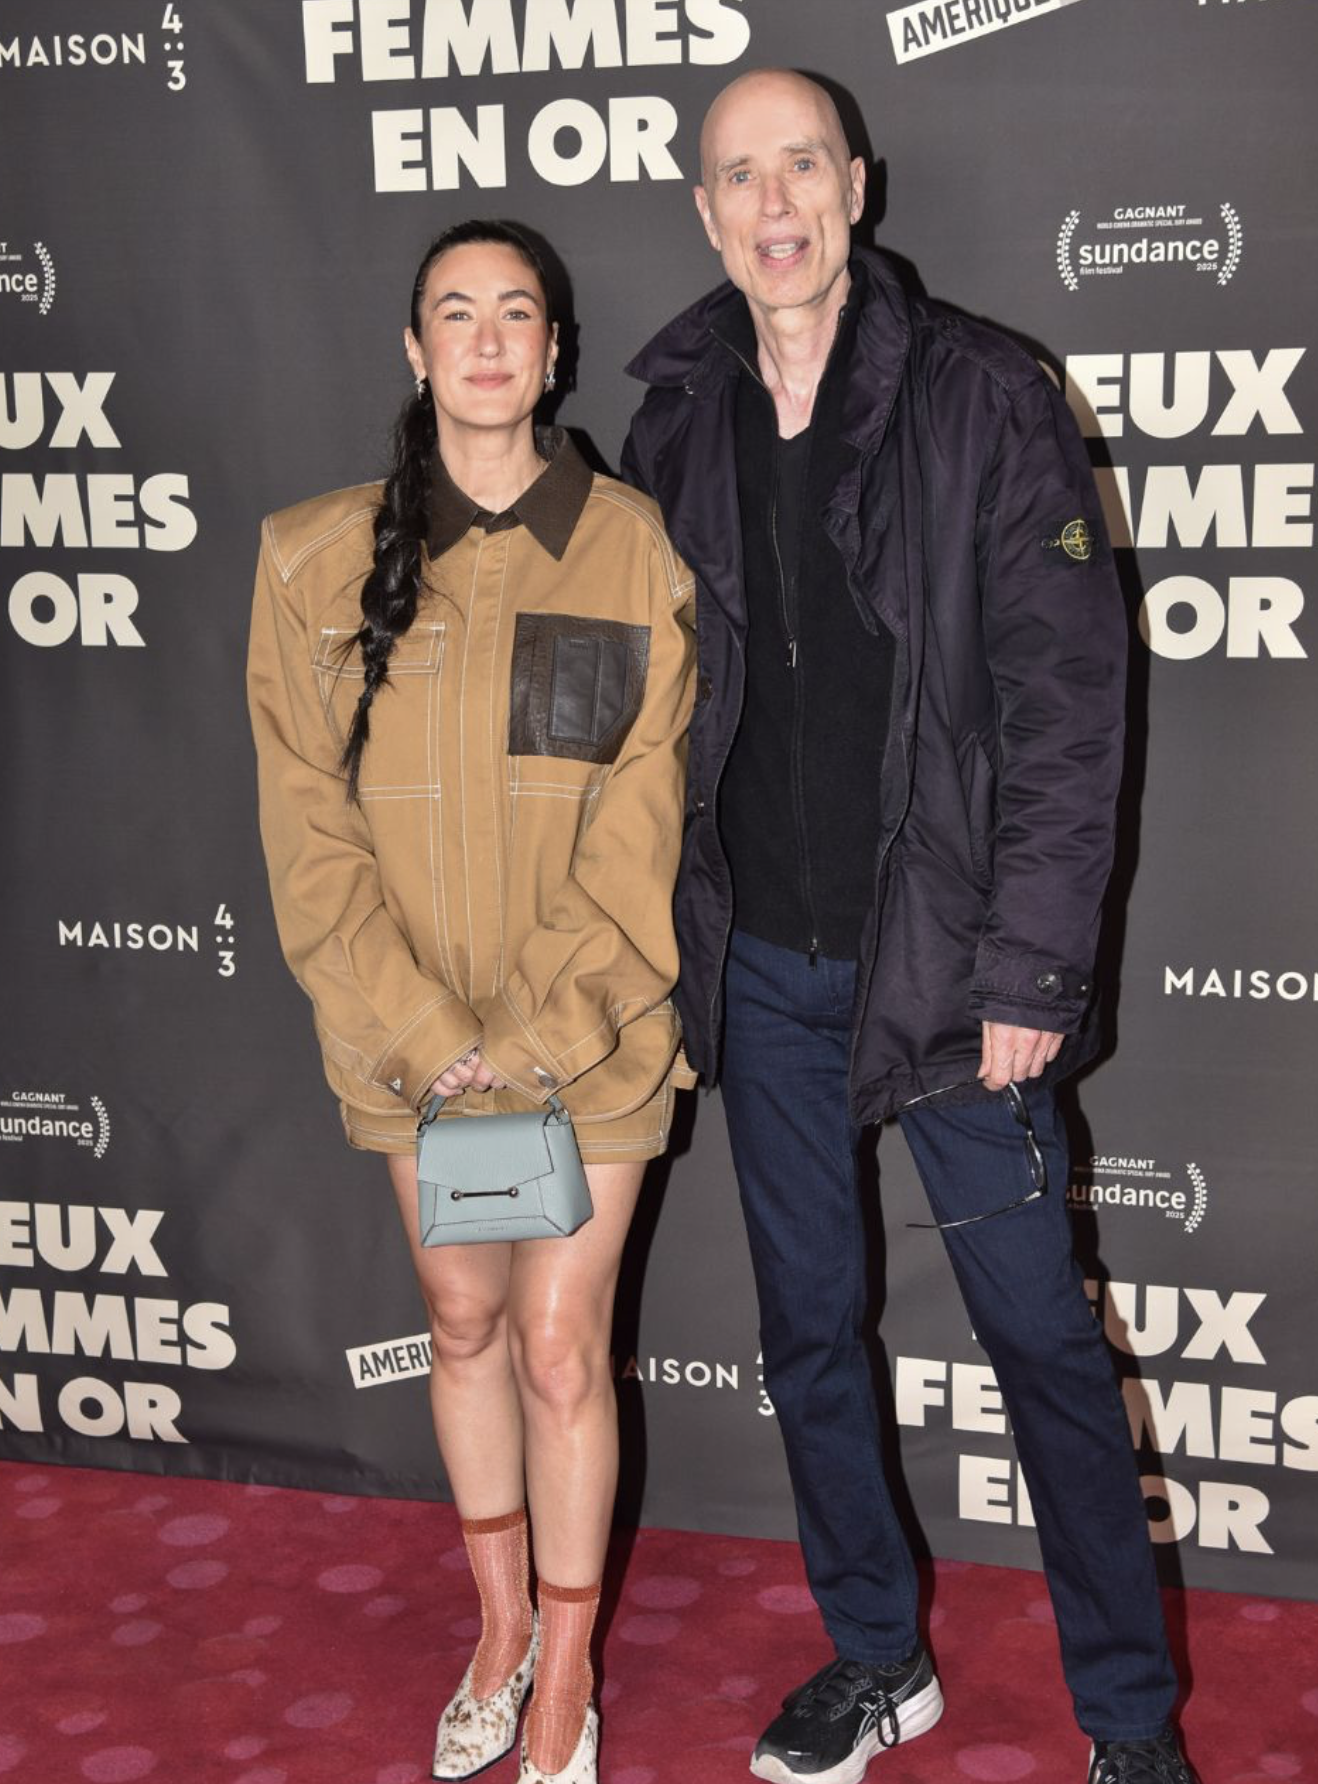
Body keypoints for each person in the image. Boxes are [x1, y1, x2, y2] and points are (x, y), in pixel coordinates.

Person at [622, 70, 1197, 1784]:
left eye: (801, 162)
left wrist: (1029, 966)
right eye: (739, 175)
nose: (773, 200)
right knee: (806, 1333)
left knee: (1039, 1339)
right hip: (767, 973)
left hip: (953, 975)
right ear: (704, 211)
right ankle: (877, 1654)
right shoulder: (674, 419)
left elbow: (1067, 706)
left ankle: (1130, 1724)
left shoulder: (982, 394)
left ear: (855, 185)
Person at [248, 219, 695, 1784]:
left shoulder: (635, 545)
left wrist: (547, 1031)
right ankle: (496, 1632)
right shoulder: (307, 554)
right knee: (460, 1319)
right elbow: (307, 836)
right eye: (458, 311)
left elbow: (650, 813)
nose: (491, 338)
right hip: (405, 1033)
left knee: (563, 1343)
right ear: (414, 348)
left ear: (556, 350)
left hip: (595, 1024)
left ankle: (567, 1667)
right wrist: (438, 1039)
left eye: (520, 312)